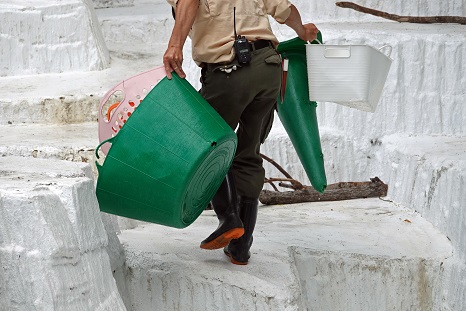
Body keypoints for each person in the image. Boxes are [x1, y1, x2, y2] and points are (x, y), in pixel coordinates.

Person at [163, 0, 318, 265]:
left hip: (229, 70)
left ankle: (229, 219)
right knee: (247, 153)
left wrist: (175, 45)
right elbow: (284, 9)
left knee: (205, 143)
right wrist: (302, 30)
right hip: (269, 67)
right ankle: (240, 247)